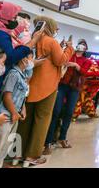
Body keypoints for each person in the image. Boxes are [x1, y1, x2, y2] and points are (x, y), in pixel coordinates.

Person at [17, 16, 74, 168]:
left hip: (28, 86)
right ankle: (32, 155)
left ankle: (17, 154)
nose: (57, 30)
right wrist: (69, 49)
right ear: (49, 26)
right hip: (46, 87)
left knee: (25, 121)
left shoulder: (30, 38)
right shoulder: (50, 41)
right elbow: (61, 61)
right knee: (42, 120)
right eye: (55, 26)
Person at [0, 1, 40, 94]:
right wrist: (33, 41)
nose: (16, 20)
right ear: (4, 17)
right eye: (14, 17)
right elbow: (10, 57)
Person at [44, 40, 93, 153]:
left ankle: (62, 138)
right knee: (56, 111)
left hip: (75, 88)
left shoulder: (86, 61)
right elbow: (60, 61)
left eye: (83, 45)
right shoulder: (69, 54)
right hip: (62, 85)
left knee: (69, 112)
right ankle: (48, 141)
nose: (81, 46)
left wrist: (76, 65)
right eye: (80, 44)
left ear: (86, 49)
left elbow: (85, 72)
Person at [0, 51, 34, 168]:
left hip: (15, 115)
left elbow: (21, 95)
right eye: (29, 58)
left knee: (5, 146)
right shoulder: (13, 74)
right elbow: (7, 95)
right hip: (6, 115)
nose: (31, 61)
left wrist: (22, 108)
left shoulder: (23, 75)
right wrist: (14, 112)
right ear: (22, 59)